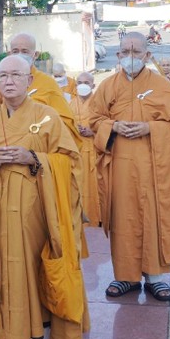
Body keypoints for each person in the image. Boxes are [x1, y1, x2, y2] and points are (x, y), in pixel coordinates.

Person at [0, 55, 89, 339]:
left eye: (16, 75)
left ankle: (43, 336)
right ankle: (15, 338)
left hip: (39, 216)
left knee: (40, 271)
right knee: (6, 276)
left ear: (30, 80)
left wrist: (33, 158)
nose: (9, 81)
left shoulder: (47, 115)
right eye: (3, 76)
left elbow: (71, 163)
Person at [89, 32, 170, 302]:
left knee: (154, 218)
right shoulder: (107, 86)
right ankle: (125, 276)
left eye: (136, 52)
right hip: (120, 168)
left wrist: (151, 128)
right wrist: (112, 126)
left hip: (155, 168)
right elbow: (91, 119)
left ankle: (157, 278)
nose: (130, 57)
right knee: (123, 220)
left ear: (148, 55)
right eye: (125, 52)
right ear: (118, 55)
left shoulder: (160, 85)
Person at [0, 33, 81, 145]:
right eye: (15, 51)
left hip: (38, 148)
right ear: (9, 54)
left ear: (35, 55)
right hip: (3, 146)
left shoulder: (48, 84)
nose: (19, 55)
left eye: (25, 51)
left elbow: (65, 123)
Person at [69, 72, 100, 226]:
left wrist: (93, 132)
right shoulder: (70, 104)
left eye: (86, 83)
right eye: (79, 82)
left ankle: (96, 219)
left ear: (93, 85)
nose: (82, 85)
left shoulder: (99, 103)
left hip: (95, 151)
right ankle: (79, 217)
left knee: (94, 187)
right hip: (77, 151)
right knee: (78, 185)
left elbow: (108, 123)